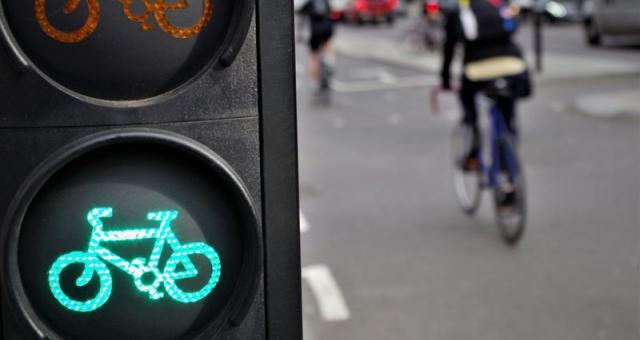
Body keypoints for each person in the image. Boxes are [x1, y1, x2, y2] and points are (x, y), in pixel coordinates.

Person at [440, 0, 529, 170]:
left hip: (476, 68)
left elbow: (449, 49)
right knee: (507, 112)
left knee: (467, 99)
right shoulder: (498, 4)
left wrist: (445, 79)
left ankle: (474, 147)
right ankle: (510, 160)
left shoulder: (461, 10)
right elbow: (512, 27)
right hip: (513, 65)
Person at [301, 0, 336, 90]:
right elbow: (331, 14)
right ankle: (329, 60)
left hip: (315, 31)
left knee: (313, 56)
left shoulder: (309, 3)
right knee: (327, 44)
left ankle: (315, 82)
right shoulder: (326, 2)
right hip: (327, 29)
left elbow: (301, 13)